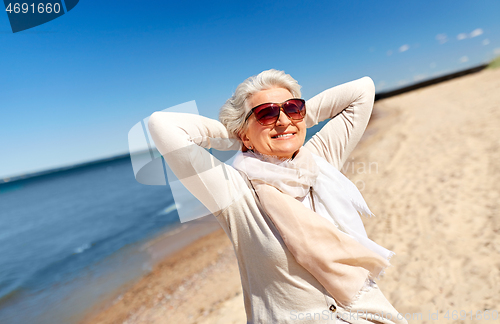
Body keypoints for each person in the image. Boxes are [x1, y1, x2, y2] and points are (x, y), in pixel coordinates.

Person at [148, 70, 407, 324]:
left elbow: (362, 90)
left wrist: (297, 120)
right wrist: (236, 133)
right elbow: (163, 126)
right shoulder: (234, 192)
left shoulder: (319, 162)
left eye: (293, 107)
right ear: (244, 135)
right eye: (266, 113)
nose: (282, 120)